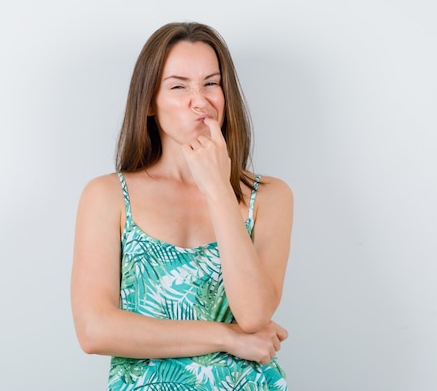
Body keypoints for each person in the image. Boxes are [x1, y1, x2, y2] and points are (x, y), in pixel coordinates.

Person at [70, 22, 293, 391]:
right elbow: (94, 330)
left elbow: (254, 315)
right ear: (149, 104)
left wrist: (218, 189)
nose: (200, 100)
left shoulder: (269, 197)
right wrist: (227, 338)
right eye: (178, 86)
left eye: (211, 83)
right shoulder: (107, 196)